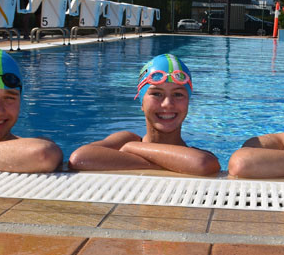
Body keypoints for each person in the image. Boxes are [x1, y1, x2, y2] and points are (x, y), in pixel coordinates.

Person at [68, 53, 220, 175]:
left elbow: (203, 164)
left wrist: (132, 148)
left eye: (178, 94)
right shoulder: (126, 139)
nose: (167, 103)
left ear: (188, 102)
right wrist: (163, 164)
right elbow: (79, 158)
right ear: (141, 102)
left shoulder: (129, 145)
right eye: (156, 94)